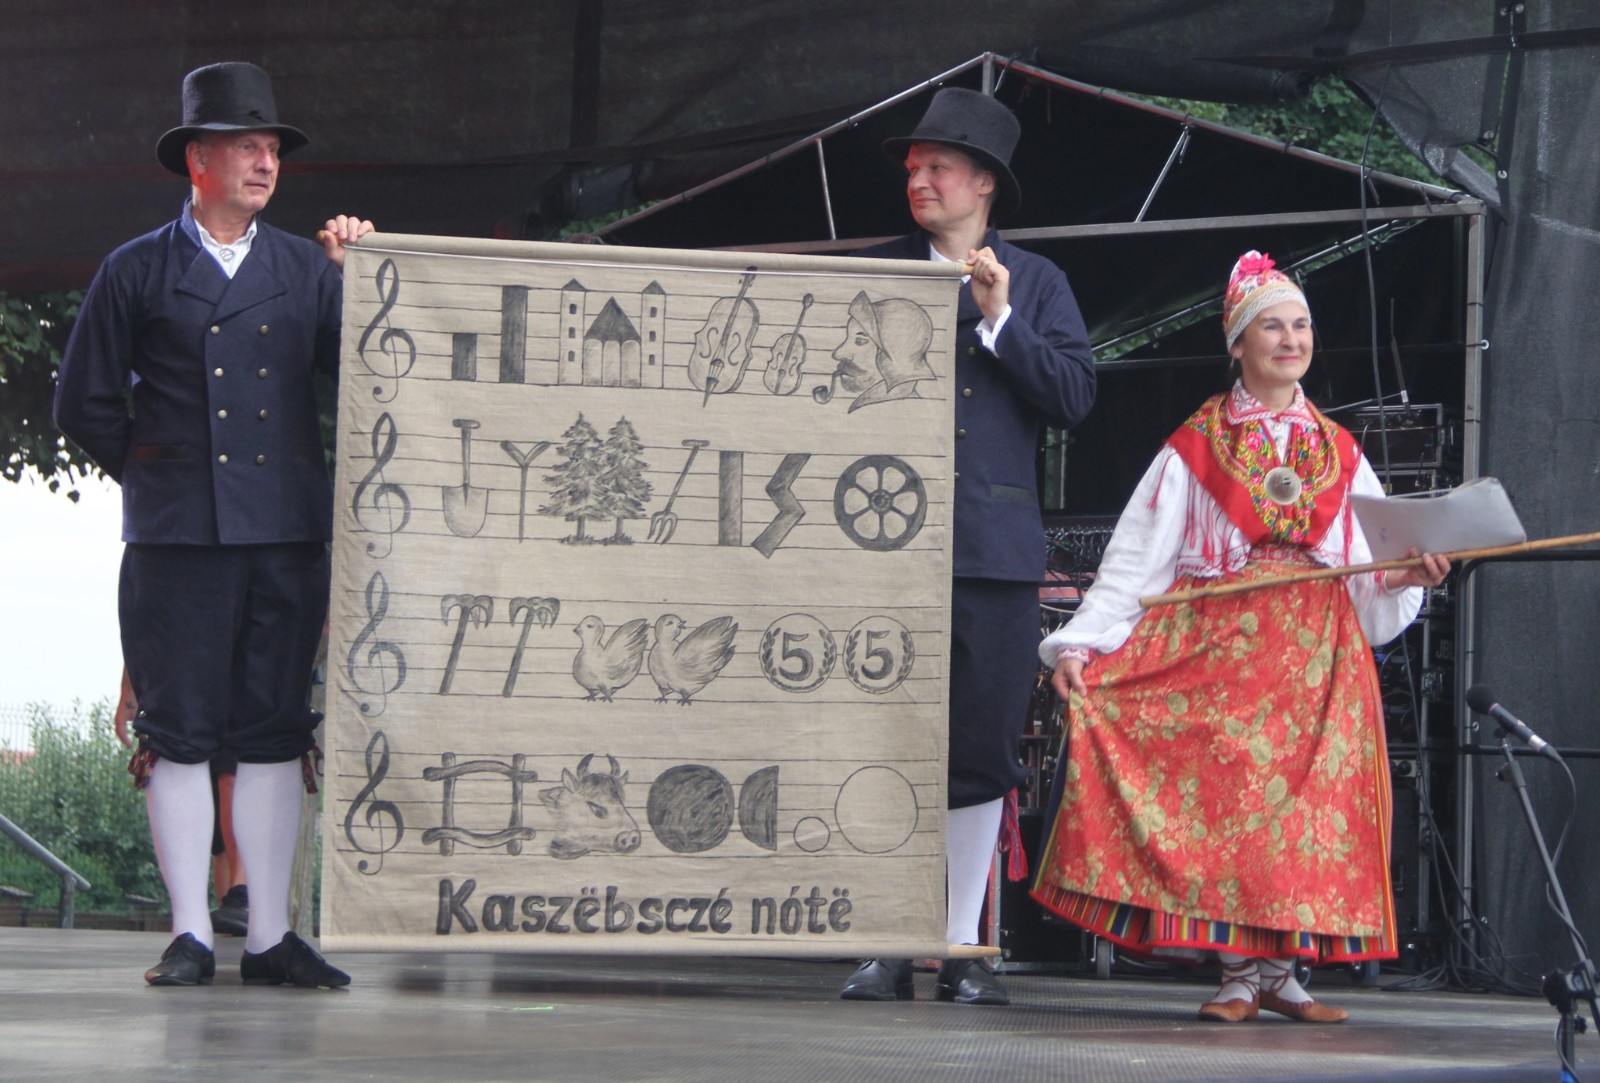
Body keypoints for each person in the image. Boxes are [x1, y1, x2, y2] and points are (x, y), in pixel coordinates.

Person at [1031, 250, 1450, 1023]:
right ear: (1236, 343)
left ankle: (1284, 976)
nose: (1291, 339)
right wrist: (1081, 643)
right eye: (1272, 326)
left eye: (1301, 325)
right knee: (1231, 809)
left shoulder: (1339, 450)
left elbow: (1369, 569)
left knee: (1300, 812)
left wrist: (1405, 575)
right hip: (1222, 656)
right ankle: (1236, 976)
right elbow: (1136, 558)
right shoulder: (1197, 445)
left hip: (1317, 660)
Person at [54, 61, 372, 988]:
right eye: (247, 147)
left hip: (285, 533)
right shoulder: (135, 268)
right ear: (198, 160)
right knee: (180, 729)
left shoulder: (308, 268)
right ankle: (191, 932)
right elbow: (84, 402)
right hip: (176, 538)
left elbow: (372, 376)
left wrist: (365, 277)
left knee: (274, 729)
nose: (266, 162)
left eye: (272, 148)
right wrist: (167, 475)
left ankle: (269, 936)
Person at [838, 87, 1097, 1005]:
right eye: (913, 168)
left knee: (982, 746)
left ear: (984, 182)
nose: (919, 180)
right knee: (880, 738)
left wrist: (1000, 322)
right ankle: (884, 935)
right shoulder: (873, 273)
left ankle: (957, 943)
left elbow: (1073, 396)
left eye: (937, 166)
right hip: (879, 550)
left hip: (991, 552)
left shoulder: (1038, 282)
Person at [115, 667, 247, 935]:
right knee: (217, 829)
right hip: (198, 679)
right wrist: (128, 693)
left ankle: (243, 896)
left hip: (247, 680)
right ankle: (218, 921)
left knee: (232, 778)